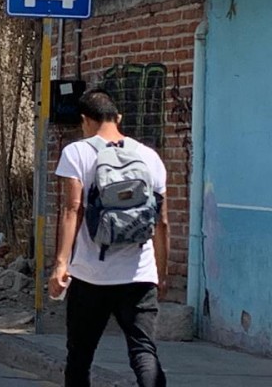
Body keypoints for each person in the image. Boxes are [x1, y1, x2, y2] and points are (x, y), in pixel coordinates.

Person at [49, 89, 170, 387]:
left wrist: (61, 264)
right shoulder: (149, 156)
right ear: (118, 118)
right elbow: (162, 222)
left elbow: (72, 210)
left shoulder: (77, 152)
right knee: (143, 351)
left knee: (80, 356)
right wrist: (161, 273)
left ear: (84, 121)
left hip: (91, 276)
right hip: (139, 276)